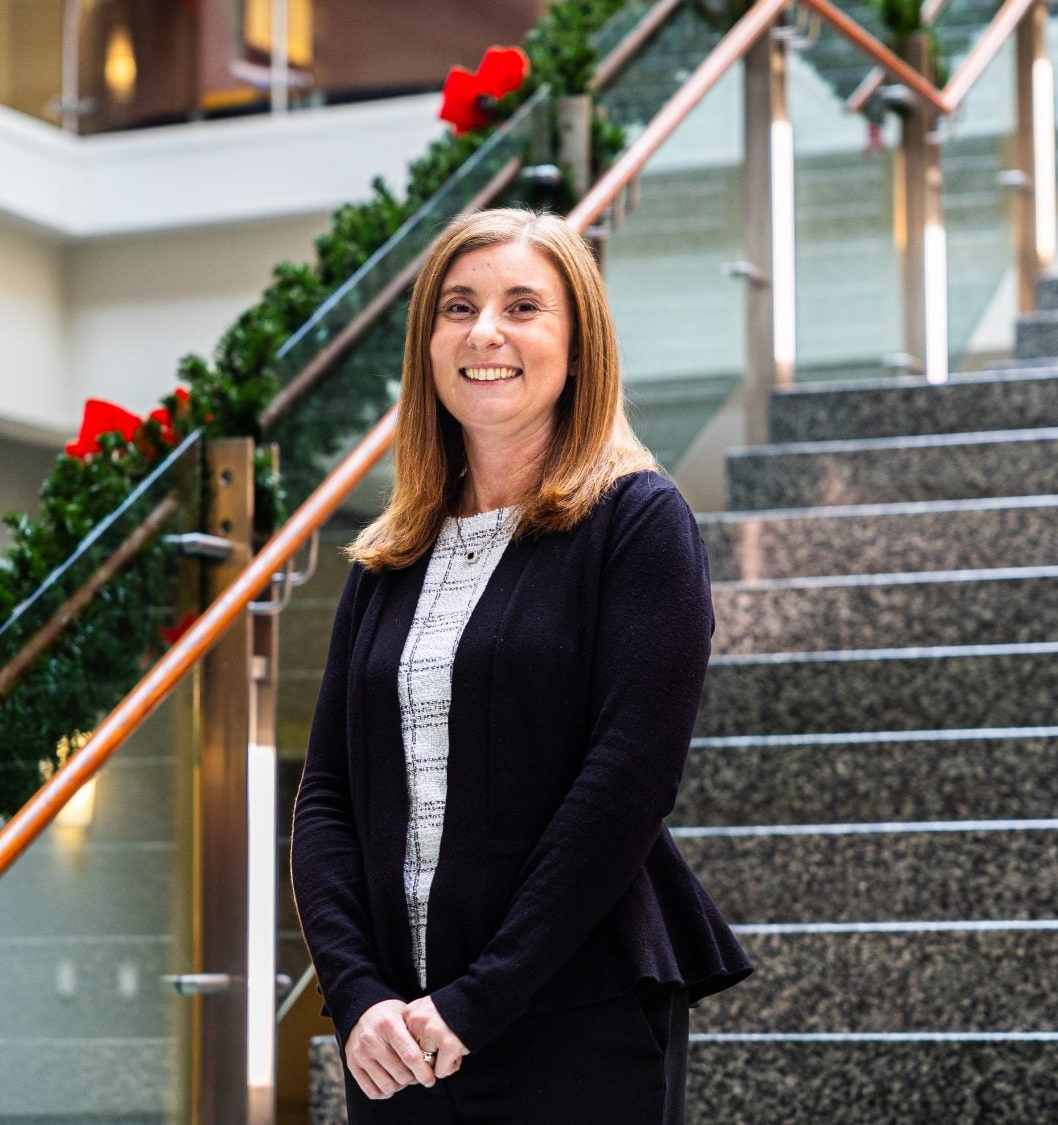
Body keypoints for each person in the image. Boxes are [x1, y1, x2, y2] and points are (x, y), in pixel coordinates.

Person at [290, 206, 753, 1123]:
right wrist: (357, 996)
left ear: (579, 347)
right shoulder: (392, 554)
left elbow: (625, 784)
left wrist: (480, 997)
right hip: (397, 1040)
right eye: (456, 308)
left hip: (572, 1016)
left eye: (523, 306)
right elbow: (328, 794)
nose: (485, 332)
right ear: (427, 348)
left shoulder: (639, 521)